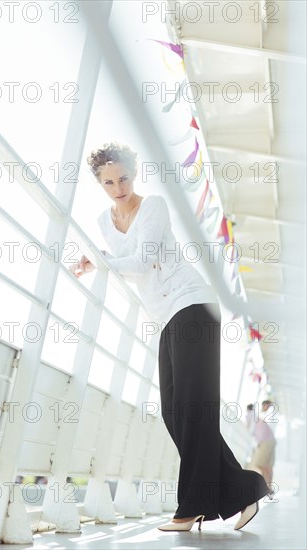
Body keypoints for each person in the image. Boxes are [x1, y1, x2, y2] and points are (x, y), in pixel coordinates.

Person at [69, 142, 271, 531]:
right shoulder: (102, 222)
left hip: (193, 305)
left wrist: (98, 259)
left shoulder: (154, 206)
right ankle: (242, 488)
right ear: (100, 184)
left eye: (124, 177)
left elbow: (141, 260)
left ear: (135, 172)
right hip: (165, 317)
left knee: (194, 407)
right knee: (174, 411)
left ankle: (191, 507)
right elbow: (126, 265)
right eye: (108, 182)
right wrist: (97, 258)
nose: (118, 187)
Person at [246, 401, 277, 488]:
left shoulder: (251, 414)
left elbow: (248, 427)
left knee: (261, 464)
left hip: (265, 441)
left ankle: (266, 486)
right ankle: (269, 487)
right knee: (268, 466)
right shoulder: (260, 415)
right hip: (270, 439)